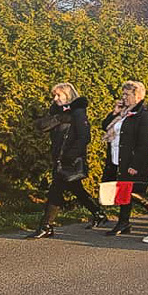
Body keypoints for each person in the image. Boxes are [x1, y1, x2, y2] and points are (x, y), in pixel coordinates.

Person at [28, 83, 107, 238]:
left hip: (69, 159)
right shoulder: (56, 111)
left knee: (55, 190)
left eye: (59, 95)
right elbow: (42, 126)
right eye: (54, 96)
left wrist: (71, 156)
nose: (55, 99)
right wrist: (58, 118)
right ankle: (98, 213)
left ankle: (46, 226)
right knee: (76, 188)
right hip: (58, 157)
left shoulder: (78, 112)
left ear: (68, 95)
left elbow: (85, 136)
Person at [103, 81, 148, 236]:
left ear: (138, 96)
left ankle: (123, 222)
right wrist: (115, 113)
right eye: (123, 94)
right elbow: (105, 126)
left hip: (131, 160)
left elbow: (143, 144)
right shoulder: (123, 113)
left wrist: (135, 165)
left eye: (127, 94)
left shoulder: (144, 116)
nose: (123, 97)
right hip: (116, 157)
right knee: (125, 190)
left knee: (125, 190)